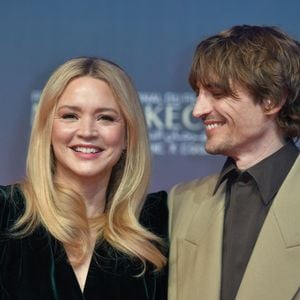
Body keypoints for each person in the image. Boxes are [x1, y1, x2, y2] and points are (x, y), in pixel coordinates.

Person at [0, 57, 168, 300]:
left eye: (106, 118)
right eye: (70, 116)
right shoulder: (7, 212)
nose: (87, 131)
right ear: (47, 129)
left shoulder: (158, 225)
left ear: (128, 136)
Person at [168, 25, 300, 300]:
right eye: (198, 94)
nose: (197, 111)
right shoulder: (179, 204)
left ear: (271, 99)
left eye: (217, 94)